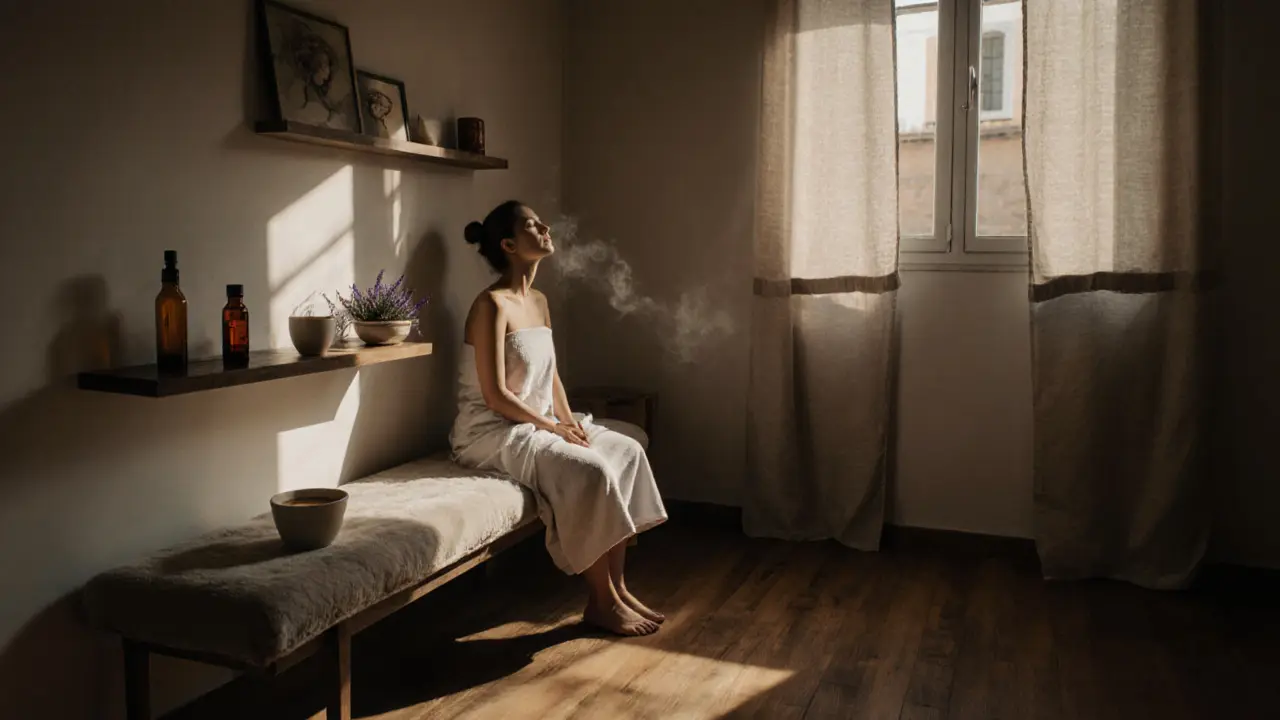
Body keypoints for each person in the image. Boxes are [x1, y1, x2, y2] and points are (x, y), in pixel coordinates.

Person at [449, 200, 669, 636]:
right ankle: (600, 602)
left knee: (625, 451)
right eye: (532, 225)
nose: (545, 227)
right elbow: (494, 395)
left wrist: (572, 424)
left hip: (539, 419)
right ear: (510, 244)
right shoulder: (489, 306)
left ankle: (620, 588)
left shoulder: (540, 301)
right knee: (589, 471)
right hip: (493, 431)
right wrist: (552, 429)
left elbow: (551, 378)